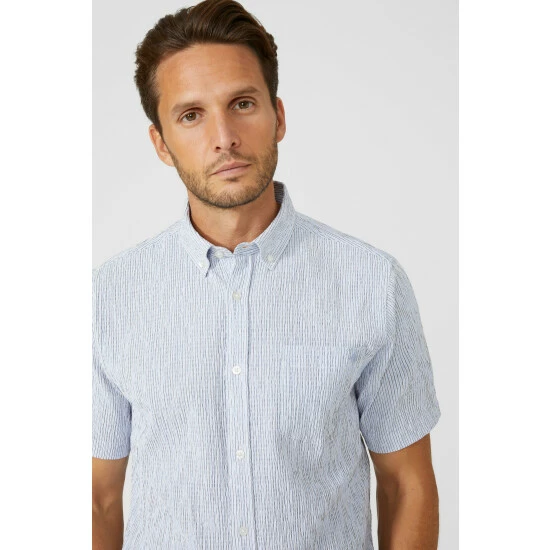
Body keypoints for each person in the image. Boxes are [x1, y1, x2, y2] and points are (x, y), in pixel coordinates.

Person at [92, 1, 441, 548]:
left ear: (278, 116)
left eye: (242, 104)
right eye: (191, 115)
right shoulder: (110, 297)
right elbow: (97, 498)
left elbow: (407, 485)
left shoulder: (372, 283)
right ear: (161, 143)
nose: (224, 136)